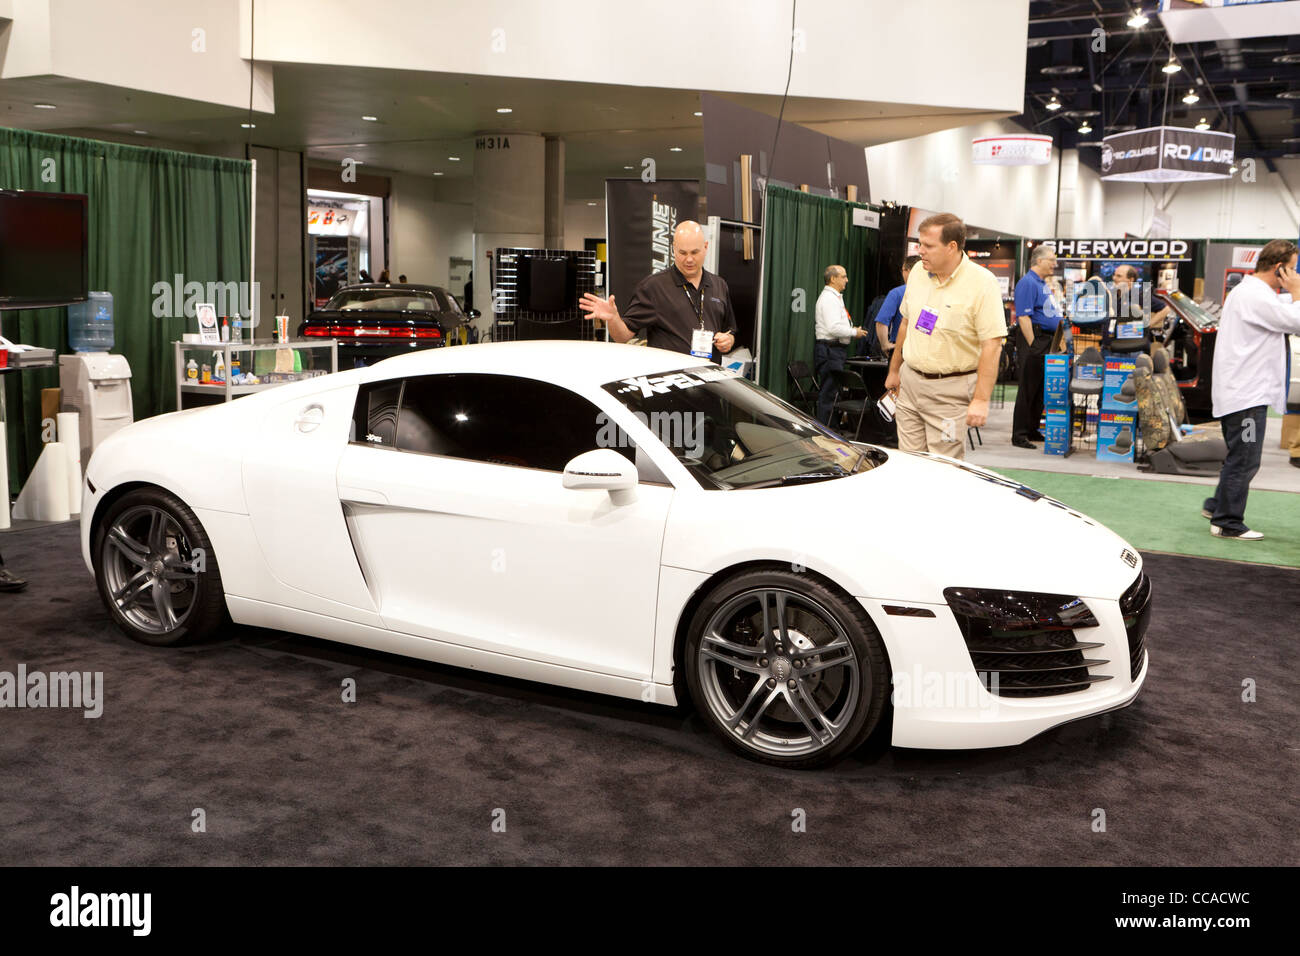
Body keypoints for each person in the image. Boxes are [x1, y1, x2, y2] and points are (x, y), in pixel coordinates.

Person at [883, 213, 1006, 459]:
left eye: (928, 246)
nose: (921, 251)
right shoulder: (918, 272)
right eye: (920, 244)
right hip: (910, 384)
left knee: (944, 467)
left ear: (952, 247)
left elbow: (992, 346)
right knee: (909, 461)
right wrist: (895, 370)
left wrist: (981, 399)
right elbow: (906, 323)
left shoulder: (982, 283)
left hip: (950, 391)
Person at [1202, 239, 1300, 540]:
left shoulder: (1252, 292)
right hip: (1246, 397)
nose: (1296, 274)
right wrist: (1297, 292)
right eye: (1293, 269)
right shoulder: (1255, 295)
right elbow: (1296, 321)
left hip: (1243, 393)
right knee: (1245, 458)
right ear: (1280, 267)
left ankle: (1217, 504)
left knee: (1239, 455)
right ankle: (1227, 522)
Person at [578, 220, 737, 362]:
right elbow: (622, 336)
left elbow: (729, 330)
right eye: (682, 253)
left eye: (694, 252)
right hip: (671, 384)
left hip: (710, 383)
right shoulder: (653, 287)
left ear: (706, 247)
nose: (689, 259)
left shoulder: (719, 285)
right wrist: (613, 319)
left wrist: (728, 340)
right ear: (674, 248)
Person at [1010, 243, 1061, 449]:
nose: (1054, 264)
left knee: (1040, 388)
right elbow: (1023, 317)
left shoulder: (1042, 283)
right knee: (1028, 389)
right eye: (1052, 260)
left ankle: (1032, 429)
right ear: (1039, 261)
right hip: (1035, 340)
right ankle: (1019, 434)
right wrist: (1033, 346)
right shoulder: (1028, 283)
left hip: (1046, 341)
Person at [813, 264, 868, 424]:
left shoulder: (835, 297)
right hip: (830, 350)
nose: (847, 280)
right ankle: (825, 433)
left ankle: (831, 431)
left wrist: (851, 330)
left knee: (833, 393)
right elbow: (833, 328)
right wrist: (853, 332)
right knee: (828, 395)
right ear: (832, 279)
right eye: (843, 276)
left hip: (834, 350)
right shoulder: (829, 299)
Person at [873, 256, 921, 359]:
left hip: (900, 348)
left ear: (908, 271)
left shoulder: (897, 293)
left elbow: (881, 322)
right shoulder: (932, 292)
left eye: (902, 270)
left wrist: (885, 345)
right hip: (921, 349)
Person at [1112, 264, 1169, 339]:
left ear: (1130, 280)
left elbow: (1166, 309)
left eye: (1119, 276)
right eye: (1114, 275)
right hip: (1111, 344)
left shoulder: (1139, 295)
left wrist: (1148, 325)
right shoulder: (1114, 295)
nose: (1114, 278)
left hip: (1131, 346)